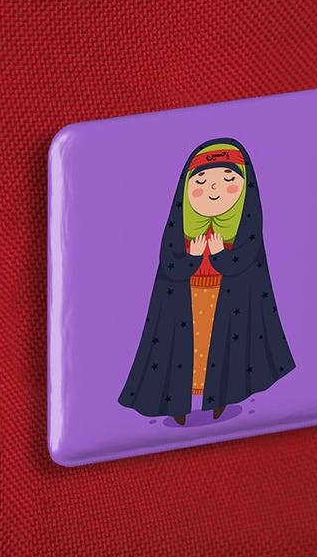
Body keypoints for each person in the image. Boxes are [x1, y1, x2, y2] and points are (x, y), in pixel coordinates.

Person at [118, 138, 295, 424]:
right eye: (201, 181)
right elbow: (170, 264)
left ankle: (222, 397)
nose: (214, 190)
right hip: (184, 302)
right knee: (186, 350)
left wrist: (221, 254)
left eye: (228, 180)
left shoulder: (245, 227)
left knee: (224, 347)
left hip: (229, 303)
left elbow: (246, 261)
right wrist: (192, 257)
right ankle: (176, 402)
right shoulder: (180, 227)